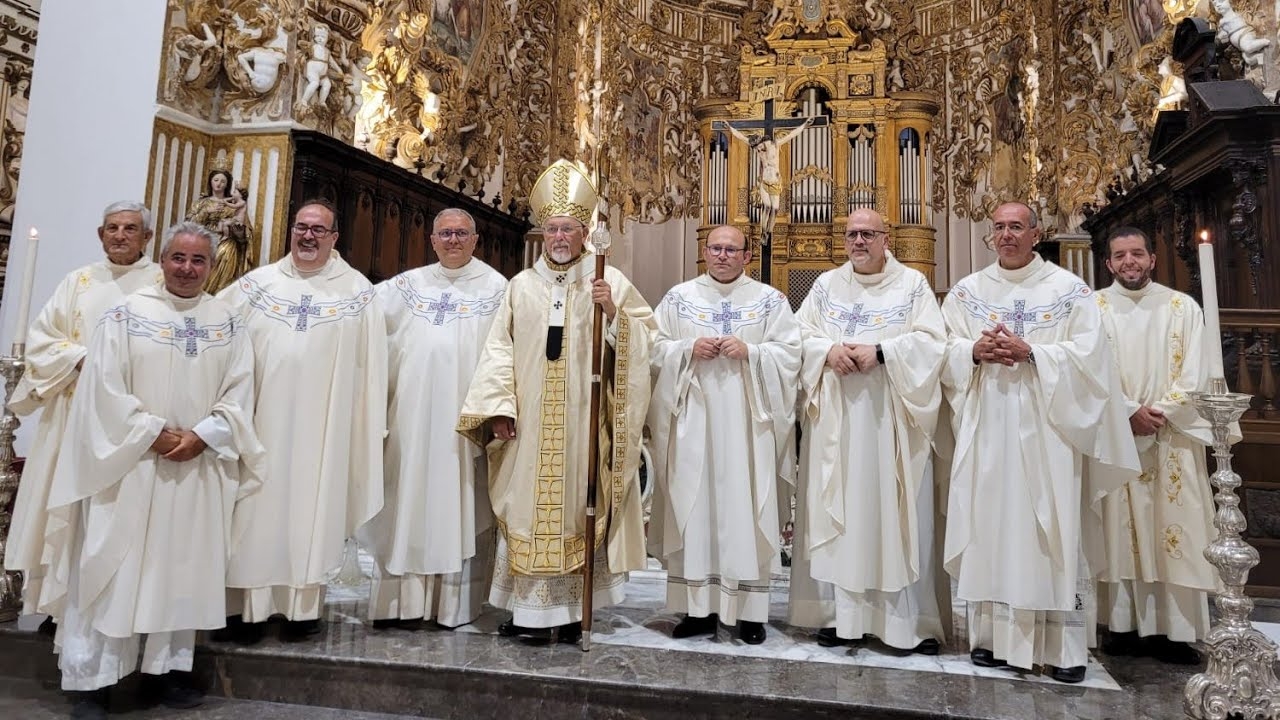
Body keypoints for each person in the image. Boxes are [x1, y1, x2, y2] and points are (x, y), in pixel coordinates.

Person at [47, 222, 263, 719]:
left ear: (212, 265)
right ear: (162, 259)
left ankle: (164, 673)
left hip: (195, 470)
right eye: (178, 258)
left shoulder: (228, 322)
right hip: (129, 468)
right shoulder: (125, 316)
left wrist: (204, 434)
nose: (187, 269)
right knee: (113, 570)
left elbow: (241, 392)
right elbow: (102, 389)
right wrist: (153, 433)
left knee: (178, 572)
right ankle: (94, 682)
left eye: (198, 260)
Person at [941, 201, 1139, 683]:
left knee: (1050, 529)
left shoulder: (1069, 291)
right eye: (999, 227)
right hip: (989, 428)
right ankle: (992, 639)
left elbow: (1093, 359)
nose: (1007, 235)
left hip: (1050, 431)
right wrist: (973, 350)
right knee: (991, 527)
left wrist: (1033, 353)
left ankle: (1062, 647)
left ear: (1036, 233)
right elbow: (941, 350)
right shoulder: (967, 292)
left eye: (1016, 226)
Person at [457, 160, 654, 644]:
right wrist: (499, 409)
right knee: (525, 509)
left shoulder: (609, 280)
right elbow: (498, 350)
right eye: (552, 229)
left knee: (575, 511)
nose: (559, 237)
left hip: (583, 424)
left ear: (585, 233)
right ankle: (527, 612)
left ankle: (569, 614)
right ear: (542, 234)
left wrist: (614, 314)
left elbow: (647, 341)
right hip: (527, 422)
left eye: (568, 229)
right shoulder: (520, 285)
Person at [220, 199, 387, 642]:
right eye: (301, 227)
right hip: (258, 430)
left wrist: (365, 429)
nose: (308, 236)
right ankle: (244, 610)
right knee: (251, 514)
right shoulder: (255, 286)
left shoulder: (357, 294)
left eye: (318, 230)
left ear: (334, 238)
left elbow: (372, 371)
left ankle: (301, 609)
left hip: (323, 434)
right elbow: (214, 334)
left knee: (311, 513)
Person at [788, 209, 948, 654]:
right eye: (852, 234)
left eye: (867, 234)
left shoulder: (912, 285)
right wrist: (828, 351)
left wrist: (882, 351)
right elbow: (798, 335)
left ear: (886, 238)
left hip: (890, 425)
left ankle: (904, 623)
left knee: (895, 517)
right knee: (840, 516)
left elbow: (933, 343)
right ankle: (842, 619)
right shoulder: (826, 285)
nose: (858, 242)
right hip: (837, 424)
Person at [4, 202, 162, 628]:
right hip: (74, 415)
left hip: (129, 422)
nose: (120, 235)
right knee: (68, 509)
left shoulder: (161, 283)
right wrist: (80, 359)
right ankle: (60, 608)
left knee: (116, 515)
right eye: (112, 228)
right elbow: (43, 338)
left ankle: (114, 604)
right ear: (100, 234)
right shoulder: (79, 282)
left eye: (130, 228)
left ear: (147, 237)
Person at [646, 225, 799, 645]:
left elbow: (791, 355)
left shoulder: (770, 301)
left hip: (748, 428)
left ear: (747, 256)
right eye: (715, 248)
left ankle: (749, 613)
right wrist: (686, 350)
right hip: (692, 423)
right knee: (694, 508)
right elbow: (652, 348)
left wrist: (752, 352)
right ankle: (697, 610)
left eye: (732, 249)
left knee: (744, 509)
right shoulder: (679, 298)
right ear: (705, 251)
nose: (722, 255)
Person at [361, 208, 506, 630]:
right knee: (403, 502)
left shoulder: (497, 289)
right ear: (432, 240)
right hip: (409, 420)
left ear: (475, 240)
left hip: (463, 427)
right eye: (445, 233)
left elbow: (506, 354)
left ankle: (451, 606)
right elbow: (361, 316)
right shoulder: (406, 286)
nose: (453, 240)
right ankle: (399, 604)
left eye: (461, 233)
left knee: (456, 505)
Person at [1095, 226, 1226, 665]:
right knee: (1120, 529)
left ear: (1152, 259)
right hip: (1117, 435)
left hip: (1171, 436)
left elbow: (1198, 369)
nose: (1129, 262)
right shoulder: (1092, 308)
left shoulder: (1181, 307)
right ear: (1108, 263)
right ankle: (1121, 626)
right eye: (1120, 255)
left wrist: (1163, 412)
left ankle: (1175, 631)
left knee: (1175, 530)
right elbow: (1087, 371)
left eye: (1137, 253)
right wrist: (1127, 411)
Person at [724, 117, 814, 240]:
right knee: (766, 207)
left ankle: (768, 232)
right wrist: (730, 128)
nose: (758, 150)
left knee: (775, 209)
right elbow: (741, 137)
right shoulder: (758, 148)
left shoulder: (775, 145)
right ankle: (763, 232)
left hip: (775, 182)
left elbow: (791, 135)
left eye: (759, 147)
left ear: (761, 142)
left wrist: (804, 125)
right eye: (756, 149)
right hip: (765, 181)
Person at [186, 169, 255, 294]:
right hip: (203, 238)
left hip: (225, 240)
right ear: (210, 182)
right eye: (216, 180)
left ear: (227, 184)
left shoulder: (233, 203)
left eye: (223, 181)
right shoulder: (201, 203)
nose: (219, 184)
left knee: (226, 250)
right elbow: (189, 224)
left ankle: (219, 292)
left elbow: (245, 231)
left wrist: (237, 230)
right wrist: (206, 212)